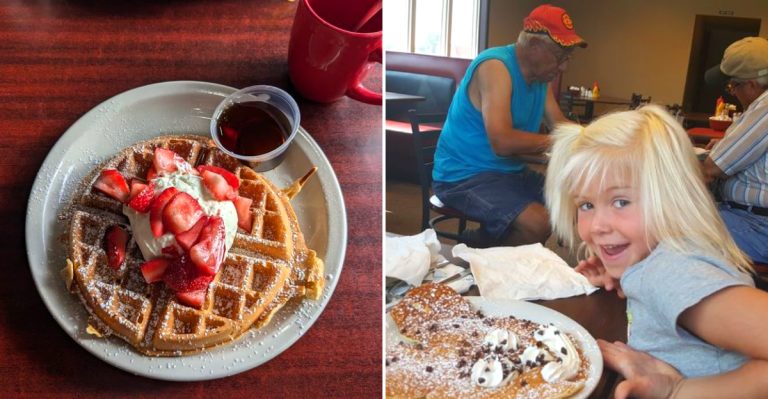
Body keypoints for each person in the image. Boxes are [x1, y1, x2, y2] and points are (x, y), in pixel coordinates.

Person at [545, 105, 768, 398]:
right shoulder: (660, 260)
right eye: (586, 205)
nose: (598, 225)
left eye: (621, 202)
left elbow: (677, 282)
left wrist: (677, 390)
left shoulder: (670, 273)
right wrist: (627, 279)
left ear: (673, 198)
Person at [431, 4, 586, 248]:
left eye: (568, 59)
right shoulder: (495, 67)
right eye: (560, 57)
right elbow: (502, 142)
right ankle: (485, 256)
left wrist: (590, 138)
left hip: (509, 174)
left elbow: (560, 126)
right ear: (535, 47)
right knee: (538, 223)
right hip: (463, 176)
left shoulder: (539, 79)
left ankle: (486, 241)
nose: (563, 67)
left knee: (577, 203)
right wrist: (567, 142)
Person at [701, 36, 768, 264]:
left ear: (751, 84)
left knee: (668, 229)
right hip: (750, 218)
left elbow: (711, 170)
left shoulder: (766, 107)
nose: (733, 93)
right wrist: (724, 147)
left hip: (757, 225)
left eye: (733, 86)